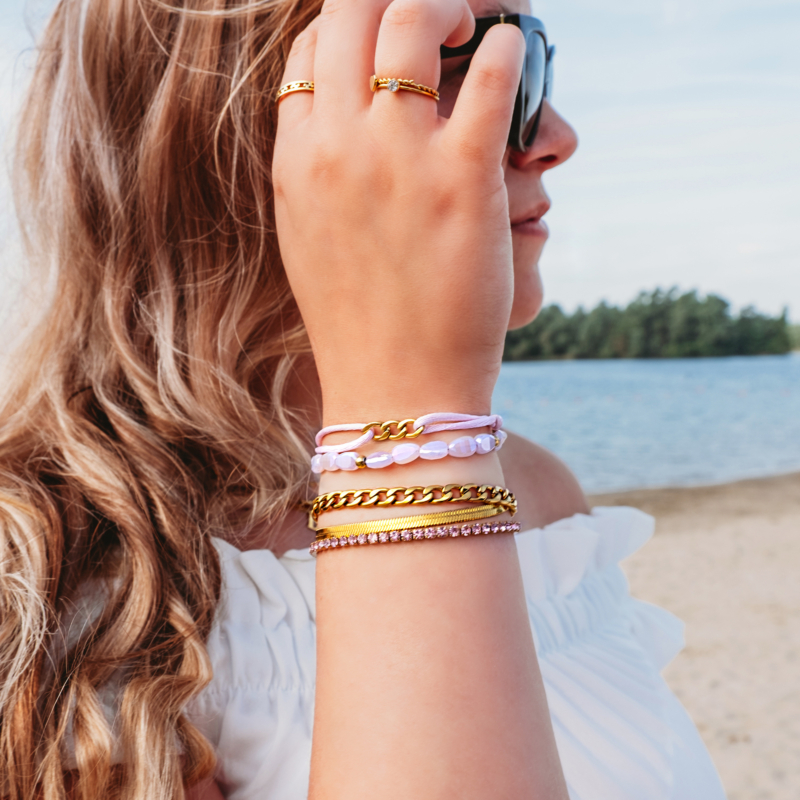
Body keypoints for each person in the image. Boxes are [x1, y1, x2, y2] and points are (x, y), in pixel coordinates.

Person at [0, 0, 728, 796]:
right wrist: (412, 416)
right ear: (220, 126)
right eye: (470, 65)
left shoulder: (540, 498)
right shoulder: (64, 588)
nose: (555, 136)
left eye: (531, 64)